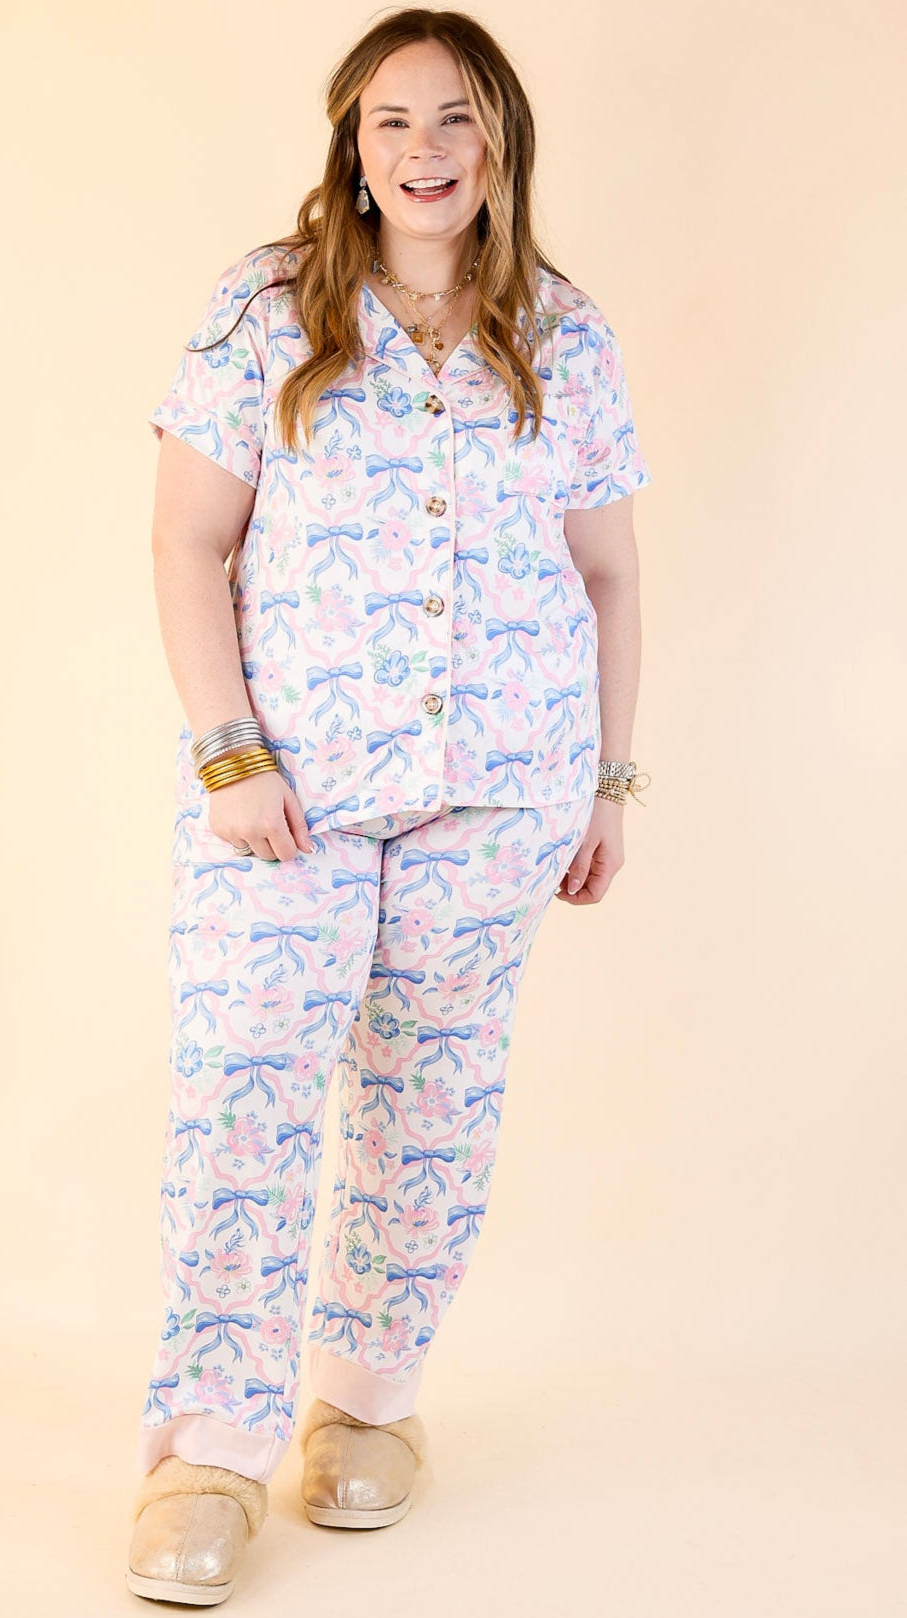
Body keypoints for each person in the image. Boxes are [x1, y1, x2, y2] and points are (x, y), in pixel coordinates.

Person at [126, 7, 653, 1604]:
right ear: (353, 149)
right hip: (286, 793)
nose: (426, 151)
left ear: (501, 144)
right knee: (247, 1086)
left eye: (457, 119)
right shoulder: (266, 308)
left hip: (503, 790)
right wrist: (229, 752)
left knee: (431, 1104)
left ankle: (363, 1403)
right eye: (392, 122)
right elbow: (187, 542)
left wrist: (609, 778)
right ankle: (209, 1446)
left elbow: (609, 574)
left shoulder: (564, 333)